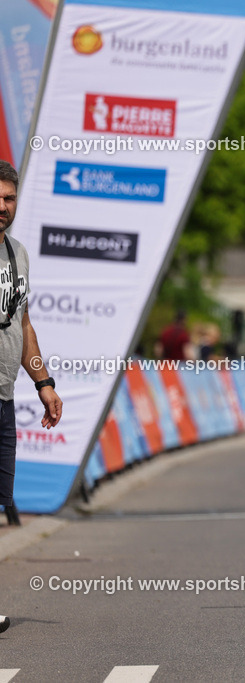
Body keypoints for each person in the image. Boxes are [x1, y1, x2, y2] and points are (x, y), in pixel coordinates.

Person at [0, 161, 64, 633]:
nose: (2, 207)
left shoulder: (18, 255)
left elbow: (22, 325)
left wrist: (44, 384)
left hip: (4, 398)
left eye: (9, 199)